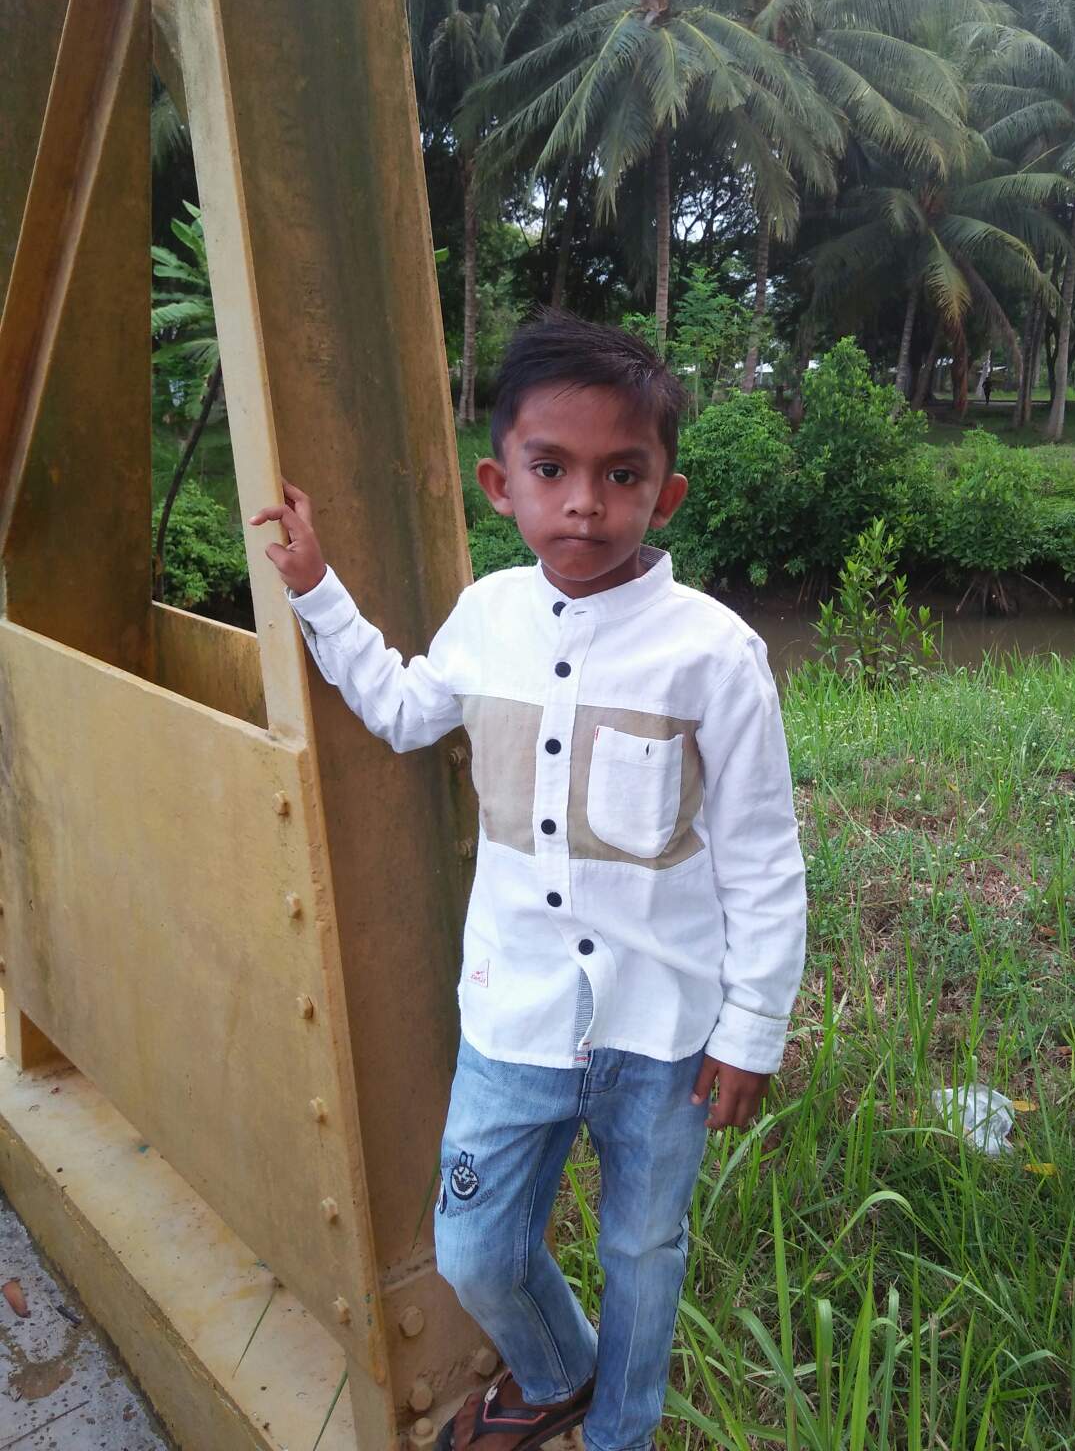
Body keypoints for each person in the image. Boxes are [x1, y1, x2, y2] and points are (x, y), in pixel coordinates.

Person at [251, 312, 807, 1451]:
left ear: (667, 494)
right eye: (552, 471)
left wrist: (752, 1029)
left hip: (665, 1028)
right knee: (475, 1250)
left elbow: (761, 857)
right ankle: (558, 1370)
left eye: (622, 475)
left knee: (643, 1246)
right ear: (501, 485)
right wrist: (316, 590)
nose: (585, 505)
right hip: (515, 1013)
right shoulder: (487, 619)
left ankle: (621, 1433)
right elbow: (402, 709)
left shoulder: (714, 654)